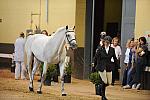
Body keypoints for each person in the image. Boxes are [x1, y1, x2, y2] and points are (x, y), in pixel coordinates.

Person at [93, 36, 118, 100]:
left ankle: (100, 88)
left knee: (109, 82)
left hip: (109, 67)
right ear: (104, 42)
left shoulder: (112, 49)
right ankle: (103, 96)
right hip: (101, 67)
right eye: (105, 42)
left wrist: (118, 67)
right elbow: (95, 58)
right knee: (104, 81)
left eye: (108, 42)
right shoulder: (100, 49)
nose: (106, 43)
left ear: (109, 42)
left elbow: (115, 58)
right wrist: (94, 64)